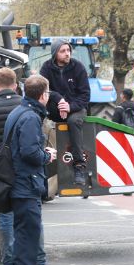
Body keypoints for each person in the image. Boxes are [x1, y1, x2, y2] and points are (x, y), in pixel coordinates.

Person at [0, 67, 59, 265]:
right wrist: (45, 156)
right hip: (25, 174)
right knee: (31, 224)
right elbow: (31, 149)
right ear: (16, 86)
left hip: (3, 171)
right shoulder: (28, 113)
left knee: (8, 221)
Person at [5, 74, 57, 265]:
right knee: (29, 232)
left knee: (22, 231)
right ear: (43, 95)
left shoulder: (17, 112)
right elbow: (28, 153)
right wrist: (47, 156)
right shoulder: (31, 117)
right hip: (26, 183)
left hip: (18, 181)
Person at [40, 39, 90, 185]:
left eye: (68, 50)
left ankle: (79, 166)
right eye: (63, 51)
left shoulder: (78, 67)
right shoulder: (46, 68)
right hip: (54, 107)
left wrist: (69, 107)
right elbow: (44, 89)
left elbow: (85, 95)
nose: (67, 54)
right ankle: (42, 166)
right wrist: (60, 100)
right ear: (55, 53)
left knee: (73, 121)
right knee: (36, 118)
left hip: (75, 108)